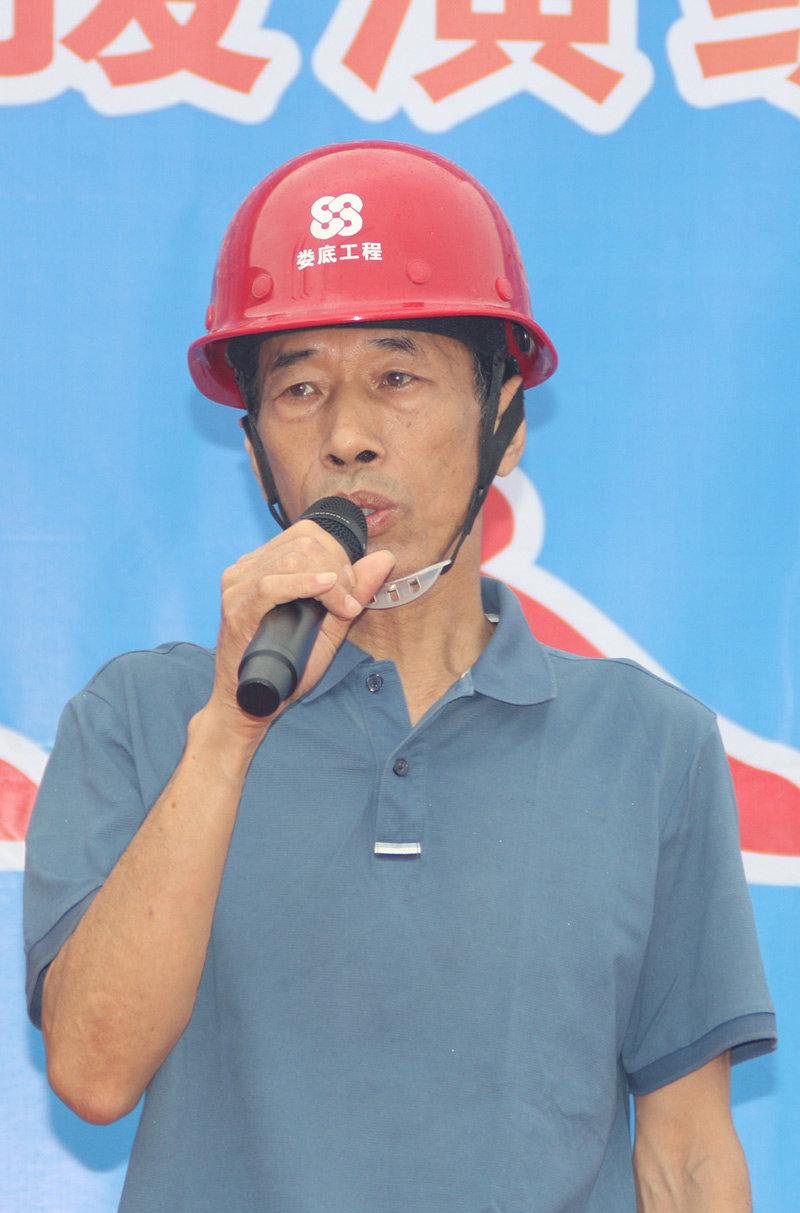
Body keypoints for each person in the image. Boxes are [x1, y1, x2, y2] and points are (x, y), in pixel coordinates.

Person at [24, 142, 775, 1213]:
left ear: (503, 423)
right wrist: (230, 731)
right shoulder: (143, 717)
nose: (347, 437)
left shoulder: (647, 743)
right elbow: (93, 1074)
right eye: (299, 389)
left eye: (398, 377)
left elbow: (687, 1156)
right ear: (254, 448)